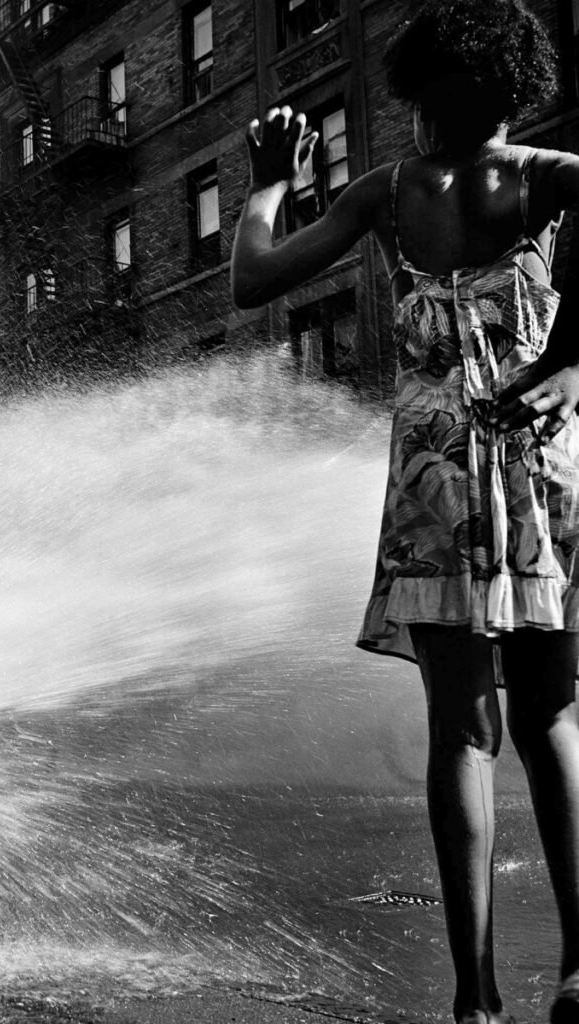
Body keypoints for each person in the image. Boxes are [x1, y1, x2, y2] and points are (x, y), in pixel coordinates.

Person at [231, 2, 579, 1022]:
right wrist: (566, 361)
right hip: (539, 460)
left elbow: (255, 275)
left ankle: (475, 997)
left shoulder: (392, 193)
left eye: (422, 101)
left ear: (440, 92)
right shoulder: (549, 179)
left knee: (461, 734)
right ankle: (576, 965)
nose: (415, 121)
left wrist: (266, 188)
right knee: (553, 715)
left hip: (433, 477)